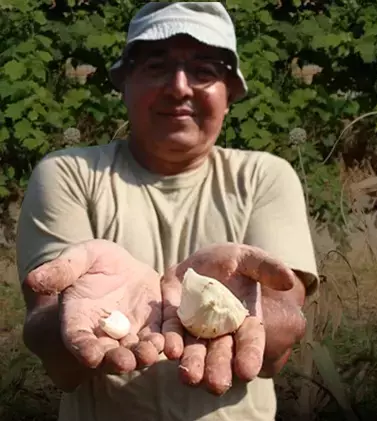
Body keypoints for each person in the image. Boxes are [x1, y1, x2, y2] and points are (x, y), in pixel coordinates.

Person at [16, 3, 318, 421]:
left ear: (230, 92)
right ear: (124, 85)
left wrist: (253, 315)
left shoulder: (265, 177)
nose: (179, 87)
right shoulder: (70, 174)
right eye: (156, 66)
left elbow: (278, 344)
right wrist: (75, 317)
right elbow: (57, 358)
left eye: (204, 70)